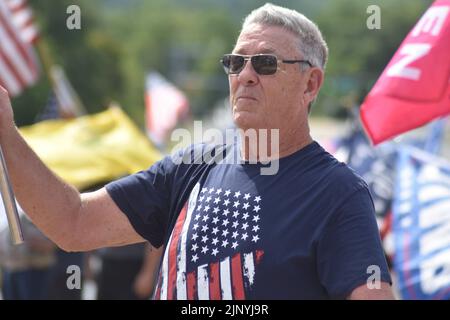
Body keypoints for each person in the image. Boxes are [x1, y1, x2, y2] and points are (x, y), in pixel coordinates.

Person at [0, 3, 393, 299]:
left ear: (311, 84)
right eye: (236, 62)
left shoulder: (339, 195)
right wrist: (6, 131)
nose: (246, 75)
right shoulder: (194, 164)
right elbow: (73, 223)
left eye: (266, 64)